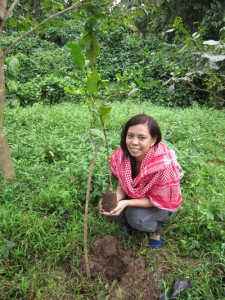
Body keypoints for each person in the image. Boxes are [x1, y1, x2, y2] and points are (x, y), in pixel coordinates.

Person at [99, 114, 182, 250]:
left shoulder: (163, 165)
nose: (134, 142)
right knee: (108, 209)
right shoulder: (122, 156)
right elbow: (122, 185)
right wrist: (117, 198)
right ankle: (131, 225)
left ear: (153, 140)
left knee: (135, 215)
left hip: (162, 204)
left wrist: (126, 202)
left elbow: (161, 199)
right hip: (138, 198)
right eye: (130, 136)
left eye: (141, 138)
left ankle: (154, 231)